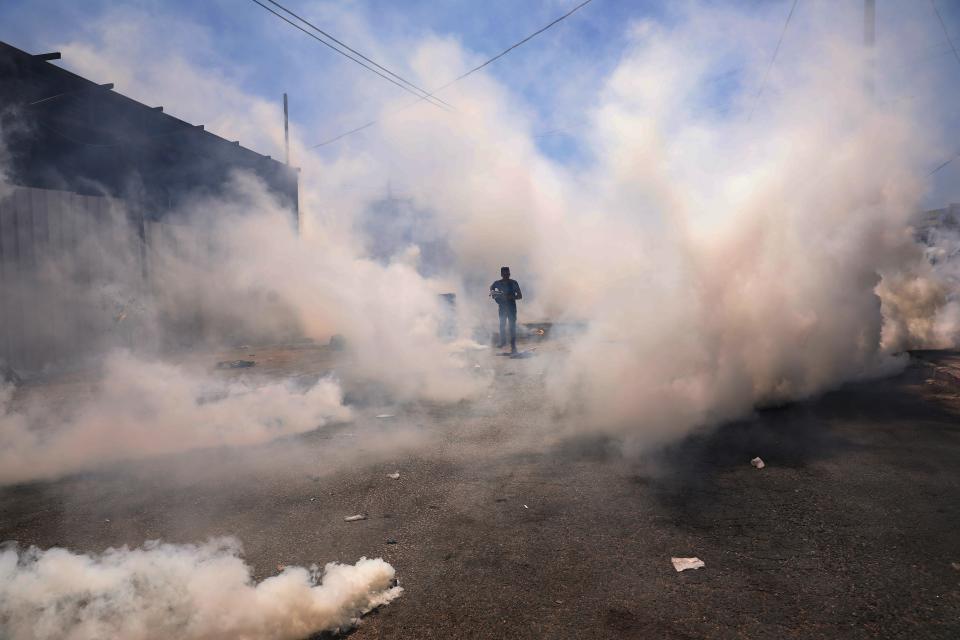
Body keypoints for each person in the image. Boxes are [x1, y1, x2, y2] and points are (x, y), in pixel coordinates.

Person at [490, 266, 522, 354]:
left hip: (511, 308)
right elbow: (491, 288)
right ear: (501, 274)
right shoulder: (497, 283)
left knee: (512, 327)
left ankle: (513, 346)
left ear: (509, 274)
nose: (506, 275)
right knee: (502, 326)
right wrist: (494, 295)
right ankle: (503, 342)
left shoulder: (514, 283)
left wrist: (511, 297)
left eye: (507, 273)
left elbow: (520, 296)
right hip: (502, 308)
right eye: (504, 274)